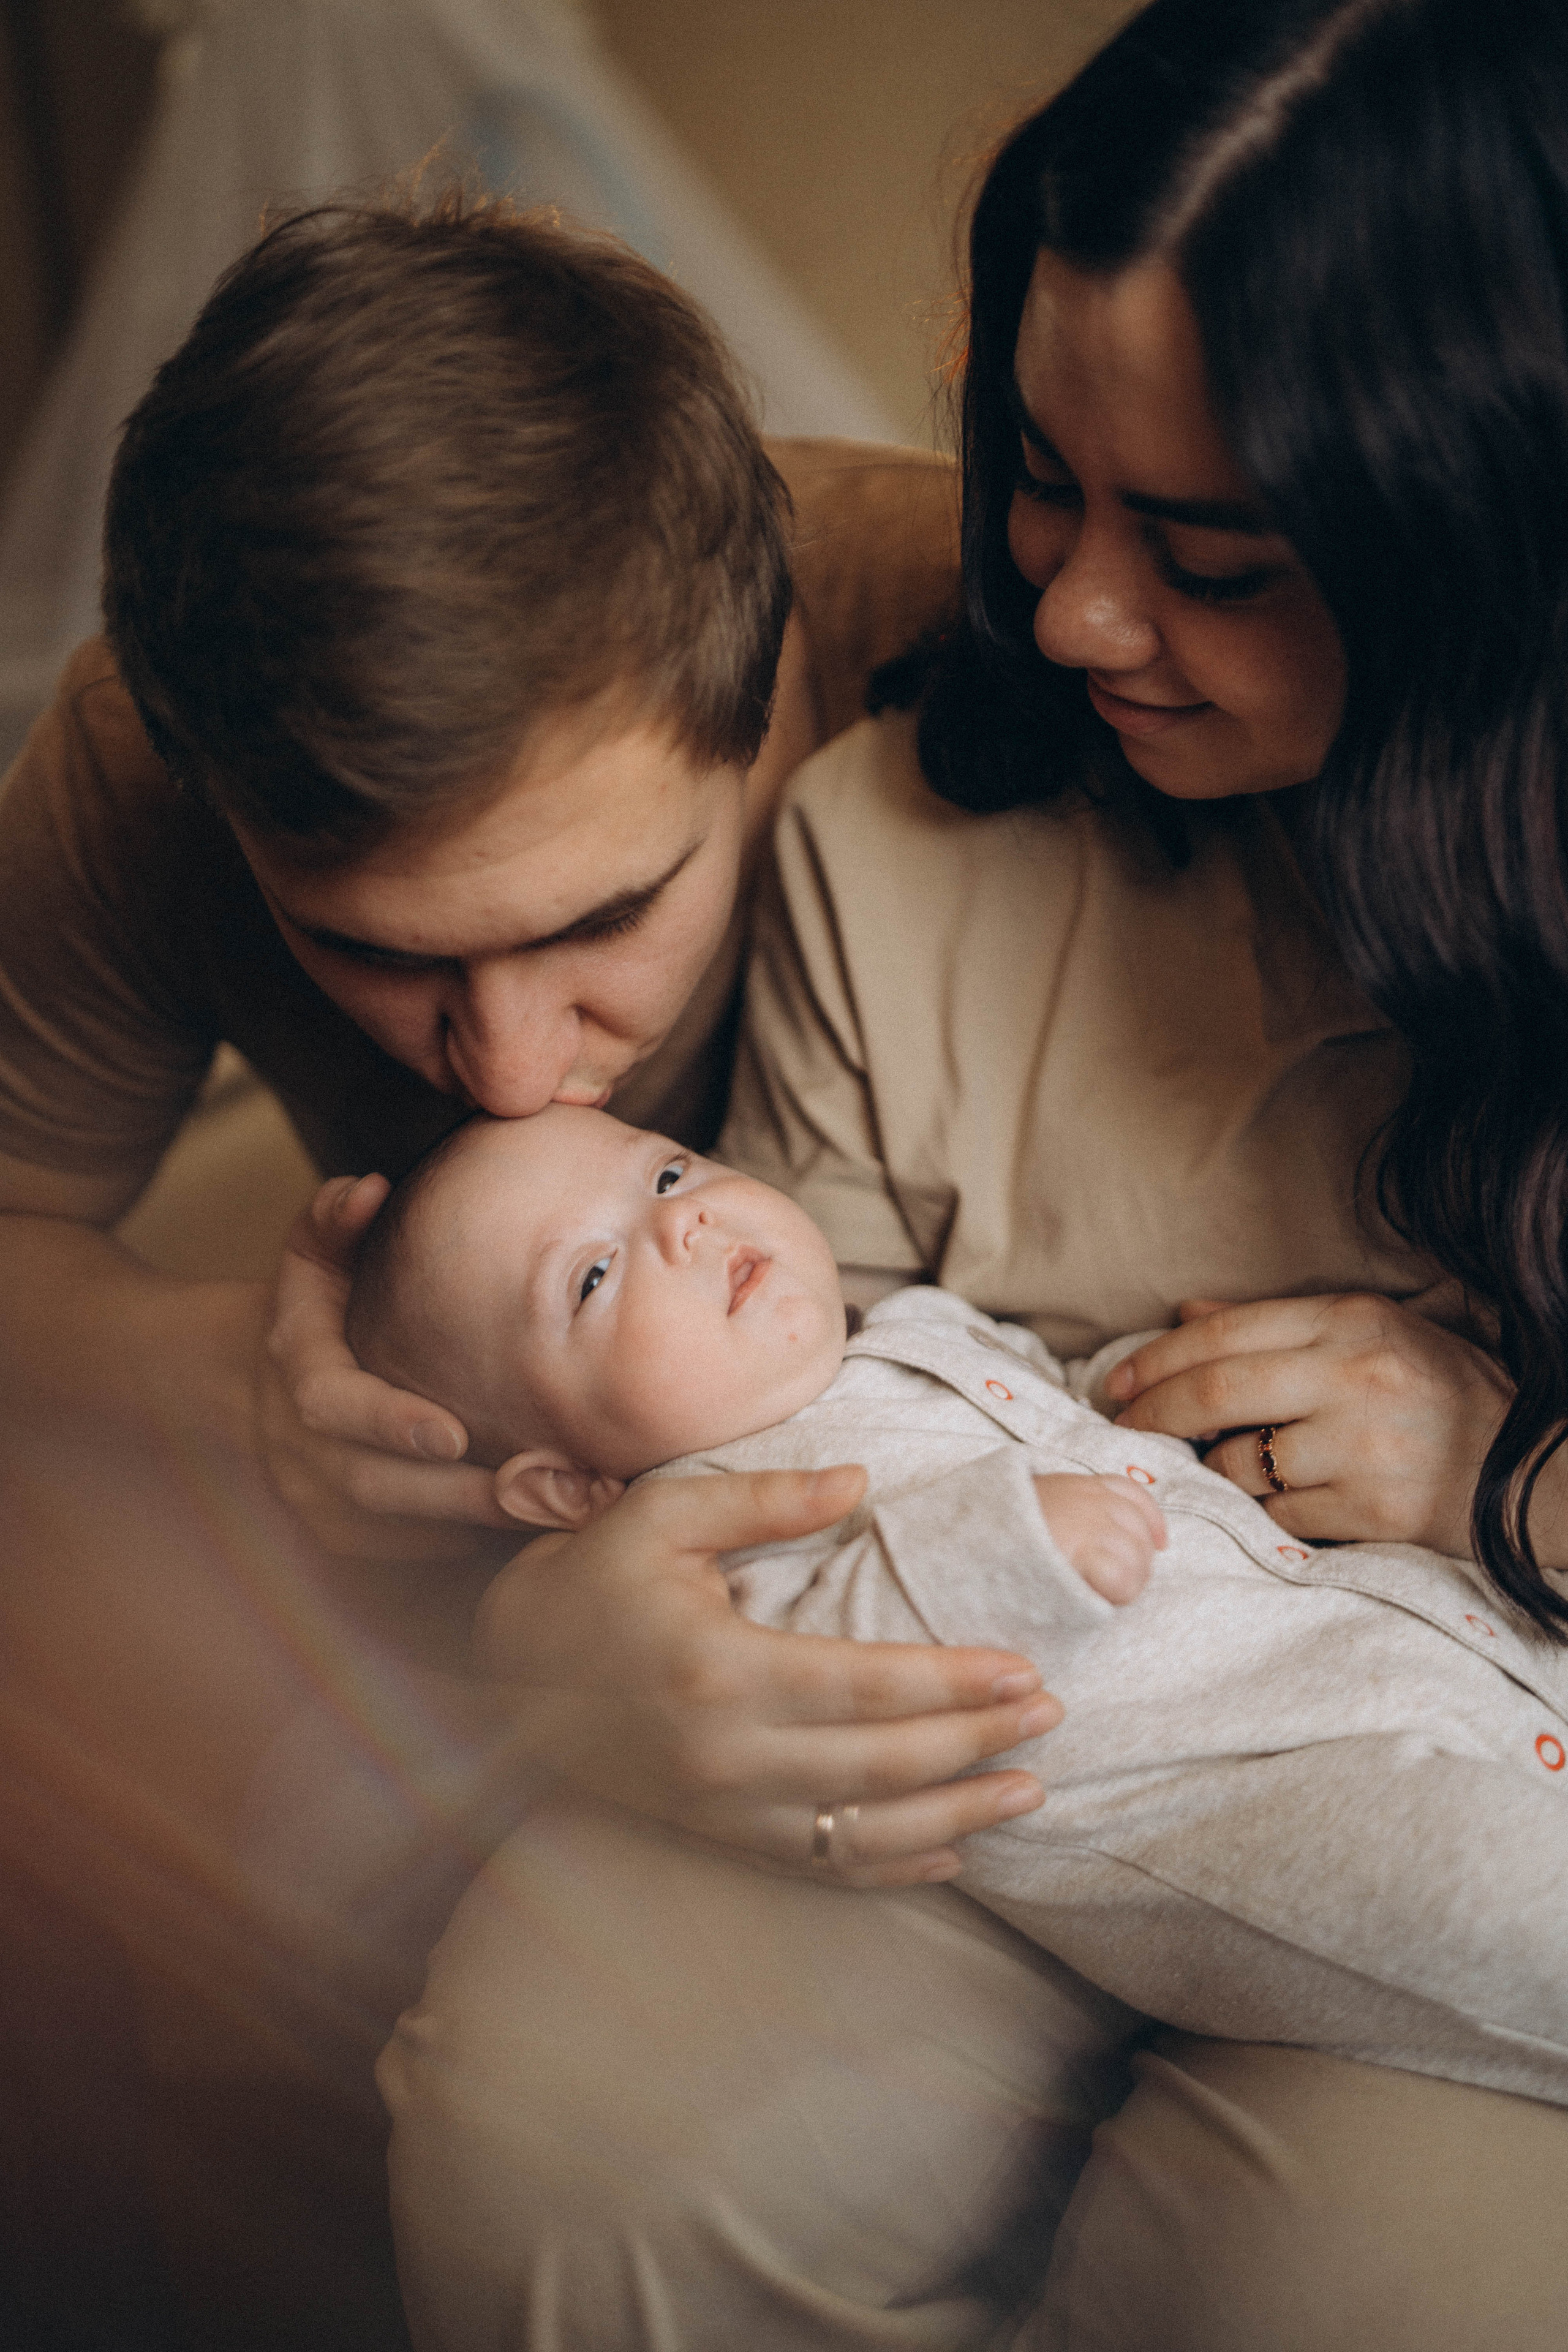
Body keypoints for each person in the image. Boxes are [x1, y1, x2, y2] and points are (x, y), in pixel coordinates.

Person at [374, 2, 1568, 2346]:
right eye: (1041, 479)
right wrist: (567, 1642)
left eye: (1213, 555)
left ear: (1481, 551)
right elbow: (732, 1405)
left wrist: (1498, 1471)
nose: (1078, 613)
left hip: (1463, 1741)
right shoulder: (897, 844)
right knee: (576, 2152)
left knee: (1338, 2290)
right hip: (995, 1732)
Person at [349, 1102, 1568, 2120]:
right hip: (1226, 1804)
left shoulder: (910, 1331)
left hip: (1360, 1630)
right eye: (596, 1275)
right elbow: (830, 1653)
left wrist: (1151, 1385)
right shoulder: (703, 1523)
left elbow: (1061, 1404)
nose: (682, 1220)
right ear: (568, 1483)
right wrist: (1009, 1543)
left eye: (665, 1170)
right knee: (1483, 1899)